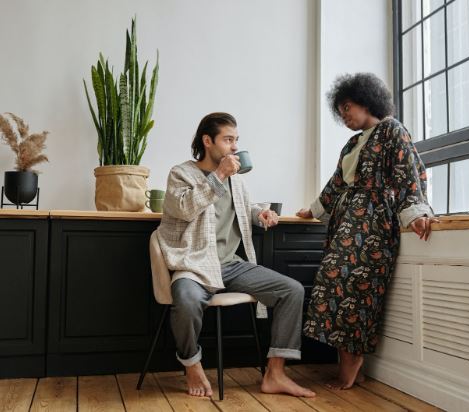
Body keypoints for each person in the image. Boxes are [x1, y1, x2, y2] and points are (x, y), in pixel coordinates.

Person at [157, 112, 315, 398]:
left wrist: (260, 214)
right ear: (208, 141)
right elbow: (183, 208)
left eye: (236, 140)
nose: (234, 146)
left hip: (231, 265)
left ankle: (275, 374)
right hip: (195, 264)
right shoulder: (181, 173)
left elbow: (243, 206)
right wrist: (219, 175)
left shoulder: (236, 180)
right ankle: (192, 365)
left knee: (291, 290)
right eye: (228, 140)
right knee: (186, 299)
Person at [297, 73, 437, 390]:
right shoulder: (352, 142)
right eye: (341, 110)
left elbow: (408, 173)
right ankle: (348, 365)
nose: (344, 116)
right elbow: (336, 183)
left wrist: (415, 212)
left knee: (355, 290)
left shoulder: (392, 130)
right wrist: (314, 209)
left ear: (365, 100)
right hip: (346, 222)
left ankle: (351, 365)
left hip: (373, 223)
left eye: (347, 108)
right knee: (332, 286)